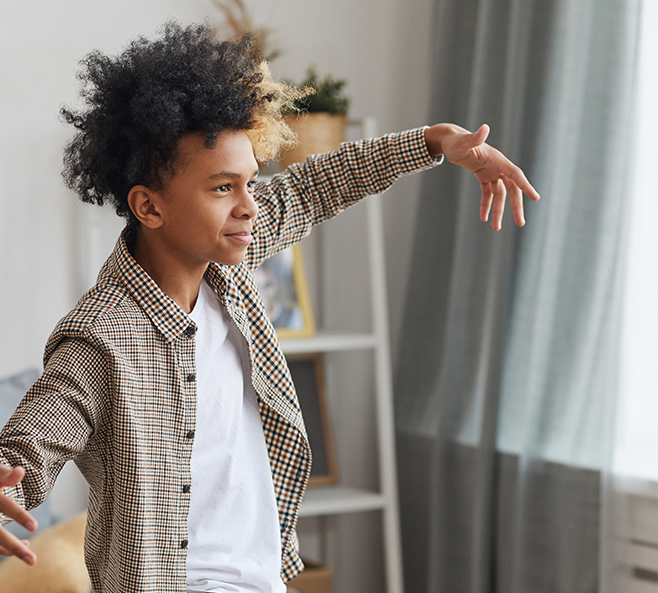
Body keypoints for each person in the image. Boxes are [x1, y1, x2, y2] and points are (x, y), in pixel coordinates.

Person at [0, 21, 539, 592]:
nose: (250, 207)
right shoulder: (102, 337)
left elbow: (313, 187)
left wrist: (432, 143)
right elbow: (32, 443)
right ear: (149, 207)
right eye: (222, 188)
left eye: (252, 183)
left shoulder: (229, 271)